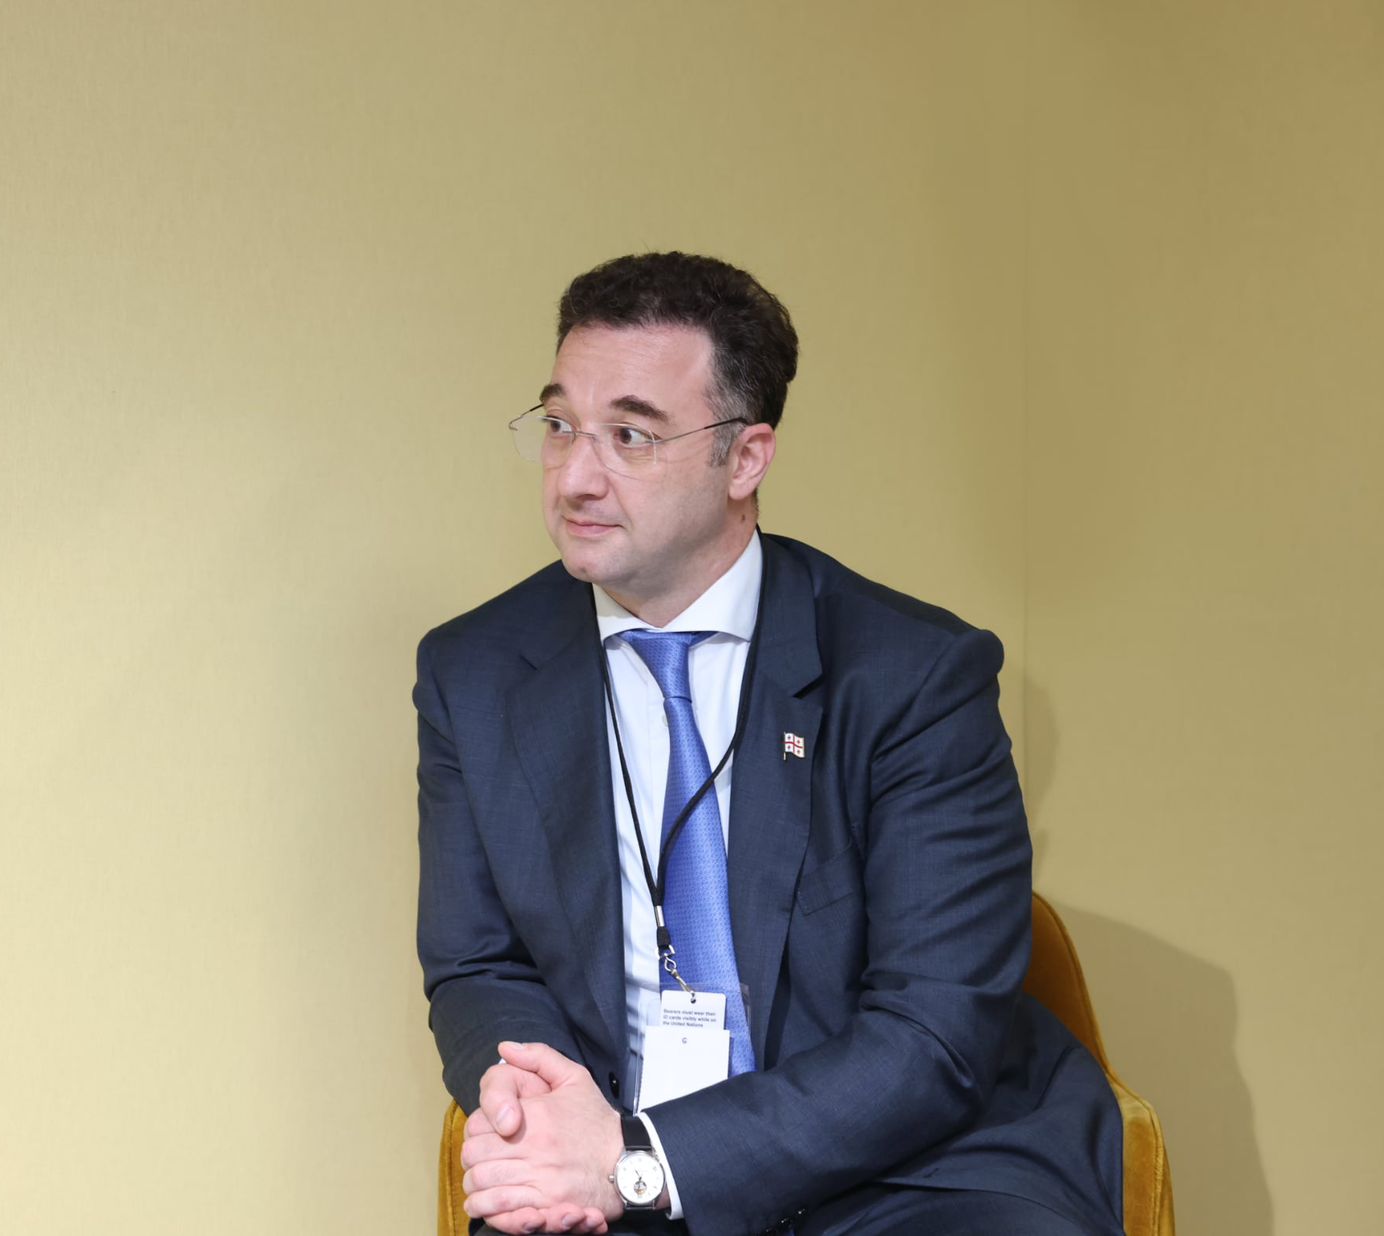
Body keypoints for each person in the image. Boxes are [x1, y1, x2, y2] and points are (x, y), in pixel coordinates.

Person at [414, 253, 1124, 1236]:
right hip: (603, 1145)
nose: (574, 475)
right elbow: (478, 967)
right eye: (560, 425)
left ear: (744, 459)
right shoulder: (475, 672)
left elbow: (933, 1036)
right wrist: (542, 1118)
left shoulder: (913, 674)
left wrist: (645, 1164)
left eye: (630, 435)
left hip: (905, 1171)